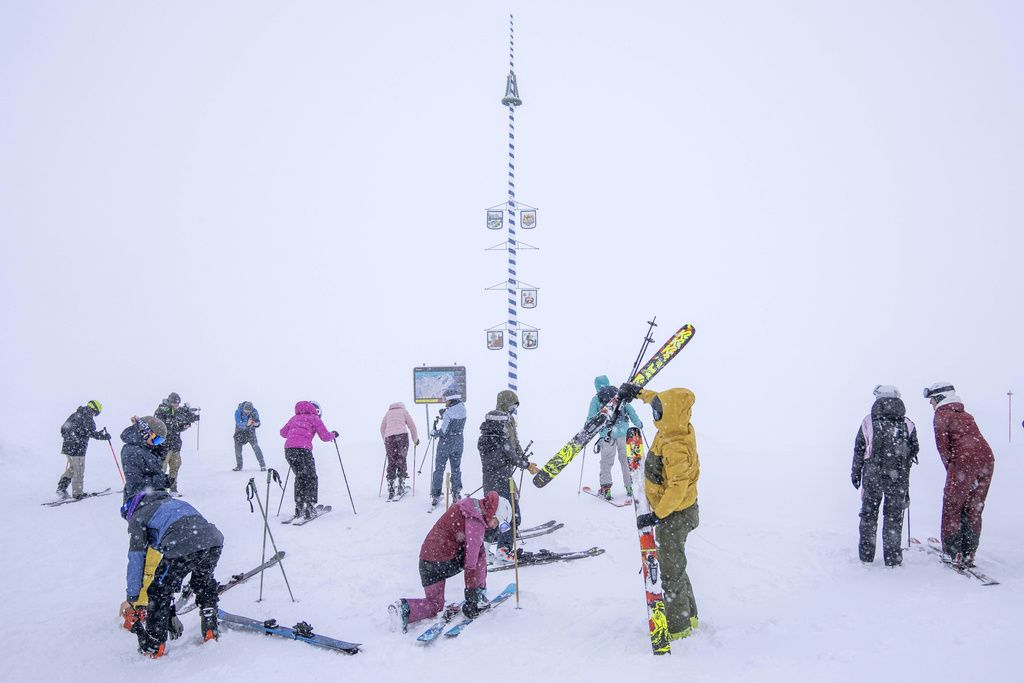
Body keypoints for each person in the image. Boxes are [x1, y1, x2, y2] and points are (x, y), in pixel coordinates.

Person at [619, 381, 700, 641]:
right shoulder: (672, 425)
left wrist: (657, 515)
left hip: (674, 515)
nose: (655, 415)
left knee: (670, 570)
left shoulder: (676, 444)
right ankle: (690, 615)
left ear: (670, 414)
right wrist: (639, 393)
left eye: (658, 412)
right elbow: (659, 400)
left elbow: (678, 487)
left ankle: (678, 627)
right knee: (676, 565)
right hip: (675, 511)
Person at [118, 489, 224, 658]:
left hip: (182, 544)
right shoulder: (172, 503)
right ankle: (210, 626)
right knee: (203, 582)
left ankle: (154, 645)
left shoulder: (138, 516)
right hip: (213, 540)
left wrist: (132, 598)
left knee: (158, 591)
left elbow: (136, 559)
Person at [388, 491, 511, 632]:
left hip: (427, 561)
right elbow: (470, 564)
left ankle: (404, 609)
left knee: (435, 605)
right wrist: (471, 597)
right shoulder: (475, 523)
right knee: (479, 552)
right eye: (498, 523)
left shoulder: (470, 505)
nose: (495, 527)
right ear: (494, 513)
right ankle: (479, 593)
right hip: (442, 562)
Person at [923, 382, 996, 566]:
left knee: (952, 506)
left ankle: (953, 553)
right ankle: (969, 551)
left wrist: (954, 471)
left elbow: (943, 448)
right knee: (974, 506)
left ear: (939, 397)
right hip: (987, 460)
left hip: (964, 462)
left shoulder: (941, 414)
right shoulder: (965, 414)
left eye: (931, 399)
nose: (931, 404)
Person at [851, 385, 920, 566]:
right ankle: (893, 558)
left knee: (868, 515)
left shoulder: (868, 421)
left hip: (872, 476)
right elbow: (914, 448)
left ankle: (866, 556)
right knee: (894, 517)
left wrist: (856, 472)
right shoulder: (907, 423)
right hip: (898, 478)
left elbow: (859, 449)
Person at [478, 389, 539, 559]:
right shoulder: (501, 429)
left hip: (492, 477)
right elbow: (508, 449)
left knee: (494, 510)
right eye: (511, 406)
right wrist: (524, 463)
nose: (513, 410)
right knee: (510, 513)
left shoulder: (486, 435)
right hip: (503, 475)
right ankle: (503, 547)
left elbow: (514, 444)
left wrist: (521, 458)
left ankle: (487, 545)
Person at [279, 400, 338, 519]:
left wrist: (295, 431)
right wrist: (333, 435)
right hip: (303, 450)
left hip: (289, 451)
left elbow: (283, 433)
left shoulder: (294, 418)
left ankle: (299, 506)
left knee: (300, 476)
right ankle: (310, 506)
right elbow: (325, 436)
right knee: (311, 477)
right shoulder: (314, 418)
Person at [588, 375, 643, 500]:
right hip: (623, 433)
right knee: (625, 461)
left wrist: (587, 430)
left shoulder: (596, 399)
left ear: (596, 386)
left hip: (607, 434)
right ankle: (630, 487)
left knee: (607, 462)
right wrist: (638, 423)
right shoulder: (619, 395)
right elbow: (630, 410)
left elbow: (591, 419)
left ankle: (606, 490)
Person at [56, 400, 110, 499]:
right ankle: (78, 493)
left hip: (68, 448)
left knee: (73, 468)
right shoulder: (87, 417)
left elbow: (63, 429)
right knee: (79, 470)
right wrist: (103, 436)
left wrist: (70, 438)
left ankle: (61, 488)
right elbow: (90, 433)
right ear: (94, 410)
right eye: (96, 413)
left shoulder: (75, 414)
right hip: (78, 448)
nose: (95, 415)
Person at [154, 392, 200, 494]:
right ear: (170, 402)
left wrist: (184, 426)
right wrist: (176, 424)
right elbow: (161, 427)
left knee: (175, 467)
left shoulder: (177, 411)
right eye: (174, 403)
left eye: (178, 404)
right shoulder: (161, 410)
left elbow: (177, 426)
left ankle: (173, 489)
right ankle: (161, 491)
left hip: (175, 445)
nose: (176, 406)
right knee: (162, 469)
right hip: (163, 446)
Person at [430, 390, 467, 507]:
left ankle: (436, 495)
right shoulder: (463, 409)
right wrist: (444, 414)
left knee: (439, 469)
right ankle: (456, 494)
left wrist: (434, 433)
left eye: (446, 400)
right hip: (459, 442)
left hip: (445, 444)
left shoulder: (448, 413)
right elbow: (455, 420)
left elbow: (444, 431)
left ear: (451, 400)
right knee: (456, 468)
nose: (445, 402)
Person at [120, 416, 169, 501]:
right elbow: (135, 486)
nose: (156, 444)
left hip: (152, 499)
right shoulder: (132, 453)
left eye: (160, 441)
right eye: (156, 440)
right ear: (145, 433)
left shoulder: (145, 447)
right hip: (141, 504)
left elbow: (149, 472)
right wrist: (161, 480)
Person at [379, 401, 419, 500]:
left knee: (391, 461)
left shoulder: (388, 413)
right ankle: (401, 484)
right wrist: (415, 440)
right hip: (402, 437)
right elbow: (412, 426)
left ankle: (391, 486)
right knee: (401, 459)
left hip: (389, 439)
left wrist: (385, 440)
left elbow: (382, 428)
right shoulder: (404, 411)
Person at [233, 401, 266, 471]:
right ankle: (239, 466)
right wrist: (246, 424)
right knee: (238, 450)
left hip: (251, 433)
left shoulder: (254, 411)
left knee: (256, 447)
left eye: (249, 411)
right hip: (239, 433)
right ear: (243, 409)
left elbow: (258, 422)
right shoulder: (238, 412)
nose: (247, 413)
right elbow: (238, 423)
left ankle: (263, 465)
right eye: (246, 411)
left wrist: (256, 424)